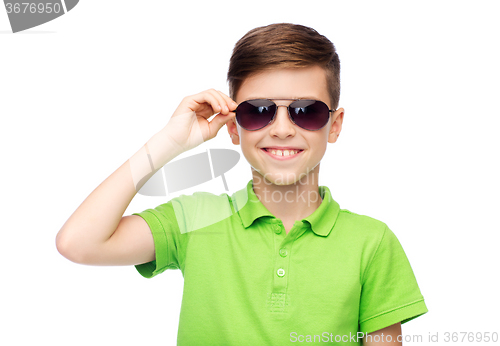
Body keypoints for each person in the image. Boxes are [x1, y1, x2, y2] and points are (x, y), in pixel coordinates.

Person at [56, 23, 428, 345]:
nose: (282, 129)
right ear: (233, 126)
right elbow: (78, 243)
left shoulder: (372, 242)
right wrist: (167, 143)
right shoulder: (195, 219)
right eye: (259, 111)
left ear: (335, 124)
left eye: (307, 111)